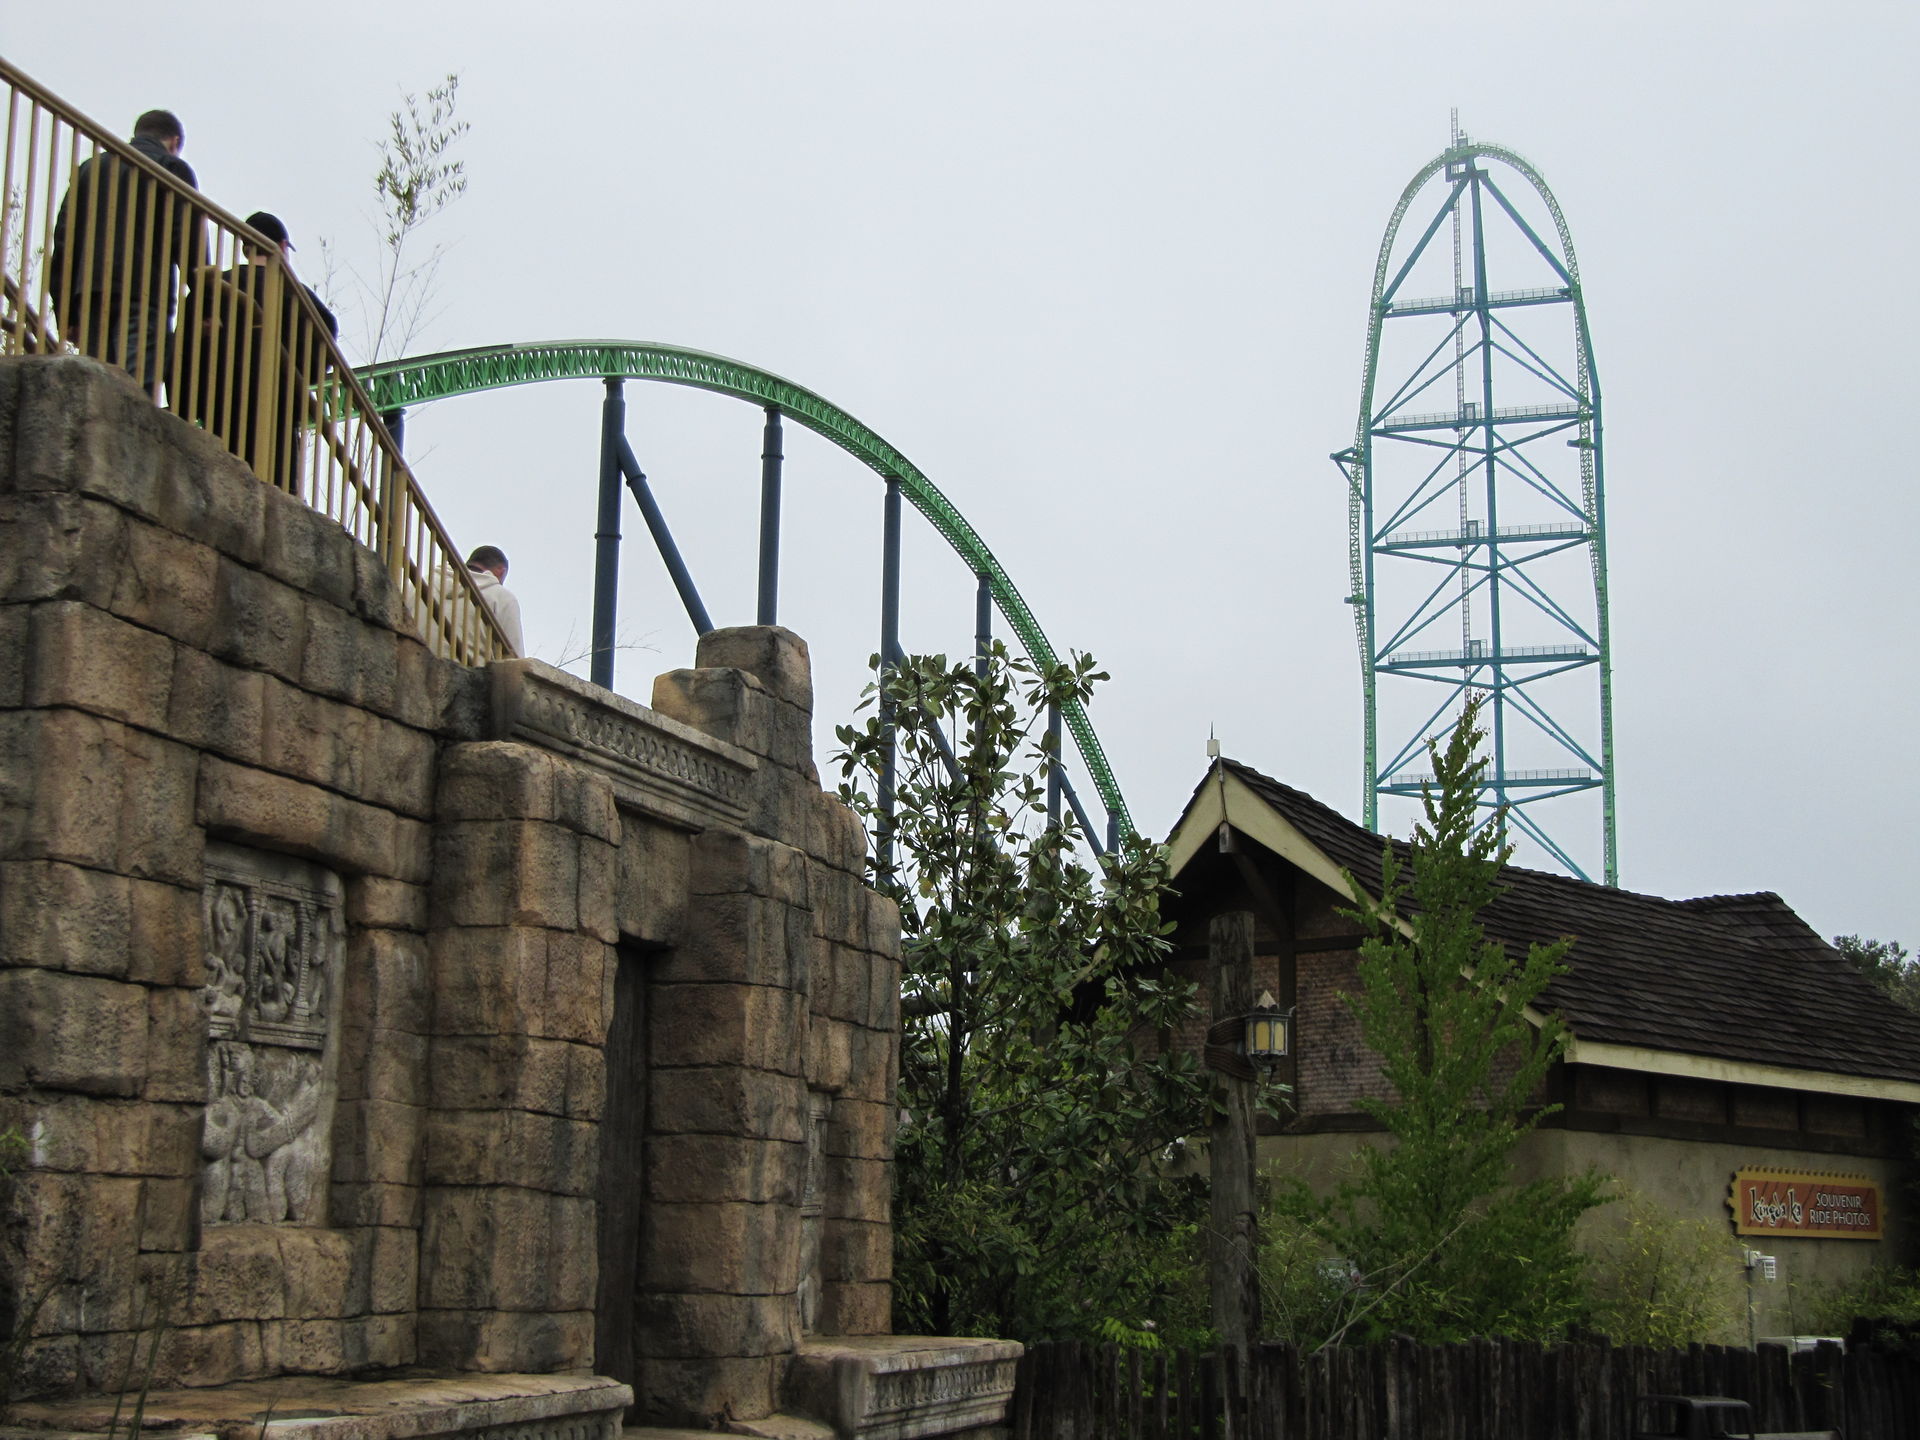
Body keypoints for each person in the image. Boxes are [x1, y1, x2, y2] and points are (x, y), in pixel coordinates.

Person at [49, 109, 204, 391]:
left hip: (90, 294)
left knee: (96, 389)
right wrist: (205, 300)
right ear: (174, 142)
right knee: (136, 389)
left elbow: (64, 241)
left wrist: (66, 312)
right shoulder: (171, 168)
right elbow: (188, 237)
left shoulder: (90, 169)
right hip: (144, 292)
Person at [184, 211, 338, 491]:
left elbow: (182, 352)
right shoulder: (297, 296)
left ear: (246, 248)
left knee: (223, 484)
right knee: (277, 490)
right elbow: (326, 344)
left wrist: (186, 406)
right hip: (277, 413)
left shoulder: (214, 287)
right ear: (281, 247)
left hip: (219, 410)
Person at [464, 546, 523, 654]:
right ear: (501, 571)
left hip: (431, 656)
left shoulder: (434, 580)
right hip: (472, 663)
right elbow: (515, 653)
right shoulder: (501, 596)